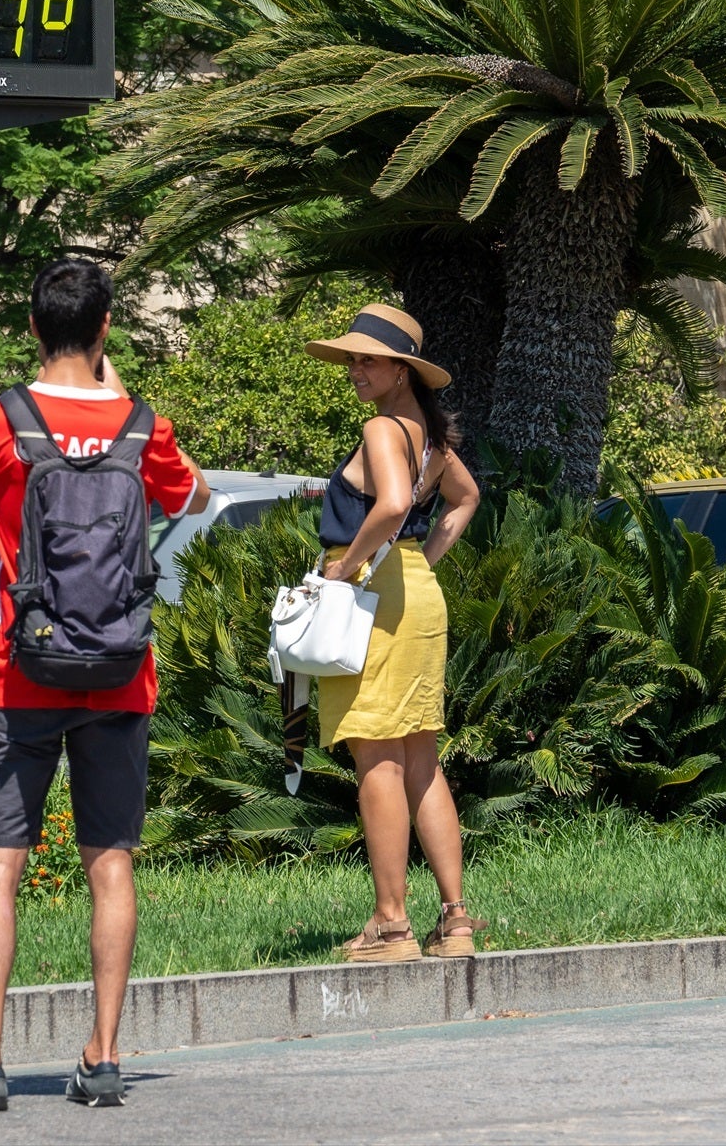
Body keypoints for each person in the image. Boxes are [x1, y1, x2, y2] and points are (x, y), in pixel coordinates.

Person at [0, 257, 208, 1113]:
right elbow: (193, 498)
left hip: (22, 675)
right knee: (111, 863)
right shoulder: (143, 427)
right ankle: (103, 1056)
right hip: (121, 676)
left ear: (30, 330)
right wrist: (121, 397)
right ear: (107, 325)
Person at [305, 304, 483, 964]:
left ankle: (390, 924)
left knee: (376, 756)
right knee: (419, 758)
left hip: (372, 599)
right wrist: (420, 561)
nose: (355, 369)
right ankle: (455, 920)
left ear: (402, 370)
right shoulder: (430, 440)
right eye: (352, 358)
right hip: (414, 596)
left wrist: (347, 570)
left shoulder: (382, 428)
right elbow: (463, 501)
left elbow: (392, 505)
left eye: (368, 359)